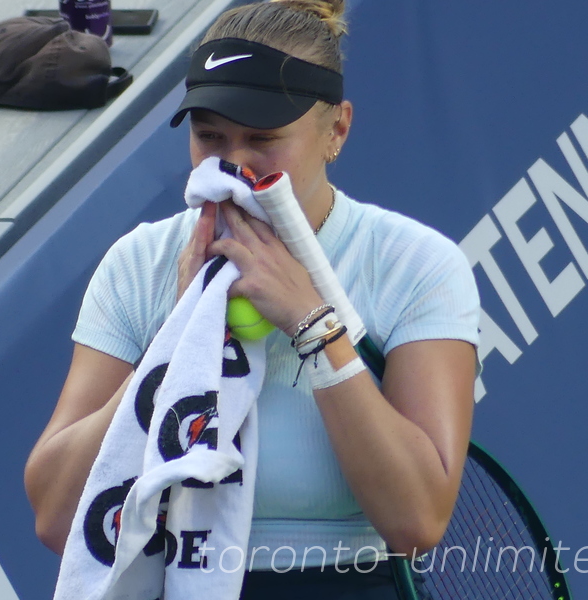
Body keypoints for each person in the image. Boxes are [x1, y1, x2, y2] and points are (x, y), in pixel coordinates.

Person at [24, 0, 480, 598]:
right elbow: (58, 518)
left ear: (336, 130)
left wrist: (312, 323)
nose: (233, 166)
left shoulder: (417, 264)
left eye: (263, 139)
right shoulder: (140, 264)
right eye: (210, 136)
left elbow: (418, 520)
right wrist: (177, 341)